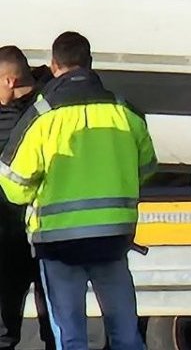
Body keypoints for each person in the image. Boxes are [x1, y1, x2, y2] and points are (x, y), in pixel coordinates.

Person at [0, 32, 157, 350]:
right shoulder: (124, 110)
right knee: (125, 333)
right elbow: (146, 167)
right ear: (90, 63)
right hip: (113, 238)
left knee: (70, 336)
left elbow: (14, 183)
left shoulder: (44, 117)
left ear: (55, 66)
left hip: (59, 243)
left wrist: (34, 198)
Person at [0, 47, 55, 350]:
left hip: (42, 227)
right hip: (6, 236)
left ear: (9, 80)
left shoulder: (47, 107)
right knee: (4, 328)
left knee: (53, 324)